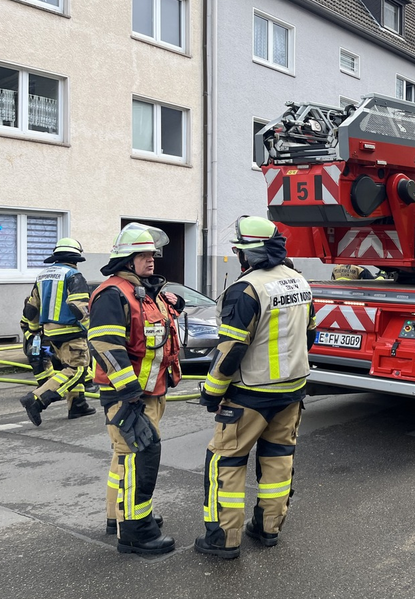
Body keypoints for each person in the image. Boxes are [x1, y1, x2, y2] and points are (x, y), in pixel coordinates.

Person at [194, 215, 316, 559]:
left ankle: (224, 539)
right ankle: (268, 529)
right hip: (292, 392)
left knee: (226, 461)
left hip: (249, 395)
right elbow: (310, 335)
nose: (238, 257)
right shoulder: (299, 282)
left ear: (250, 254)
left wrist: (212, 391)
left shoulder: (247, 289)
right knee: (278, 460)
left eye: (239, 251)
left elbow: (230, 349)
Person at [88, 223, 183, 555]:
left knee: (123, 457)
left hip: (150, 392)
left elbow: (153, 333)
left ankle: (118, 516)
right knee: (138, 457)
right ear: (126, 260)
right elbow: (105, 343)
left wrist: (173, 304)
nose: (151, 259)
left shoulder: (141, 291)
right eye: (143, 255)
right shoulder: (113, 294)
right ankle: (134, 533)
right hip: (129, 396)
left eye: (152, 254)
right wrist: (129, 394)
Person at [19, 239, 96, 425]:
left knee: (68, 366)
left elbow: (31, 308)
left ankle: (77, 405)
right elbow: (79, 308)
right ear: (75, 258)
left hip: (49, 332)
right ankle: (37, 399)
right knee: (77, 369)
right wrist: (92, 330)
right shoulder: (74, 275)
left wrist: (35, 332)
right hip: (71, 331)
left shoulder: (43, 276)